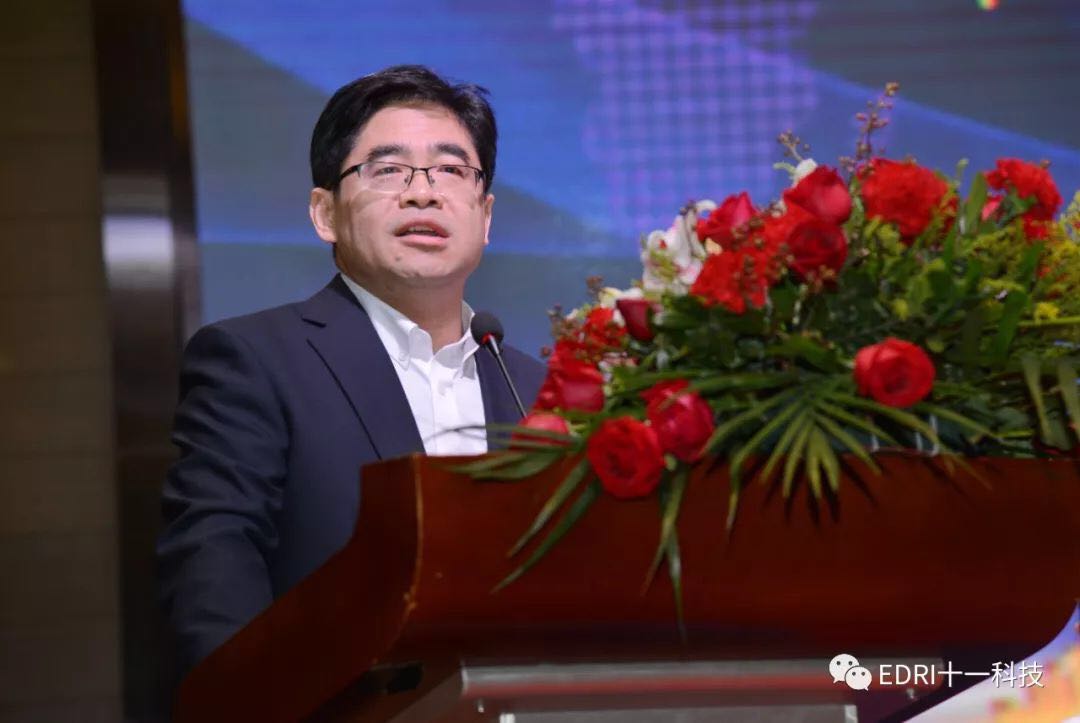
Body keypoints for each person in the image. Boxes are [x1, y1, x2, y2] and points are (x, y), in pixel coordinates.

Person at [157, 65, 545, 674]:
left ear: (486, 215)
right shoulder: (253, 360)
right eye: (388, 170)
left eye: (451, 170)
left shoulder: (536, 388)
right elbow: (214, 568)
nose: (423, 193)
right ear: (325, 214)